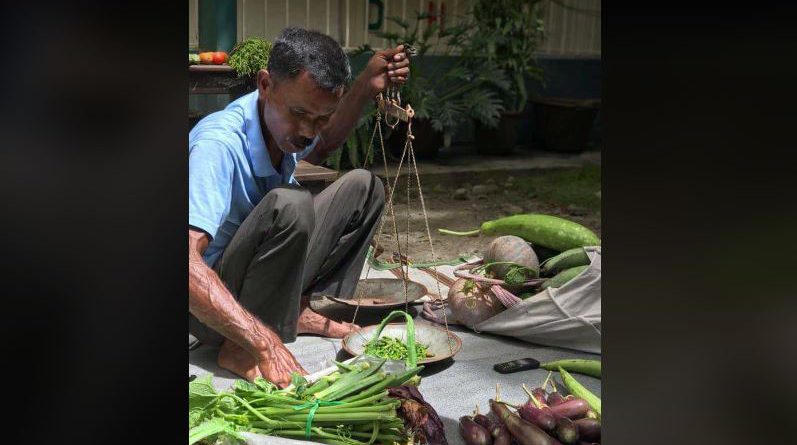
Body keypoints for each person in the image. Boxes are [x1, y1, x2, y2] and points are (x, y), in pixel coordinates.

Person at [188, 27, 410, 388]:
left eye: (320, 118)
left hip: (261, 282)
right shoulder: (217, 144)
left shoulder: (285, 125)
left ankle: (299, 309)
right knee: (291, 204)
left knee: (364, 187)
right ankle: (239, 346)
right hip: (209, 311)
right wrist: (264, 343)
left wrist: (368, 85)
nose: (308, 130)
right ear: (265, 85)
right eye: (300, 114)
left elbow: (324, 143)